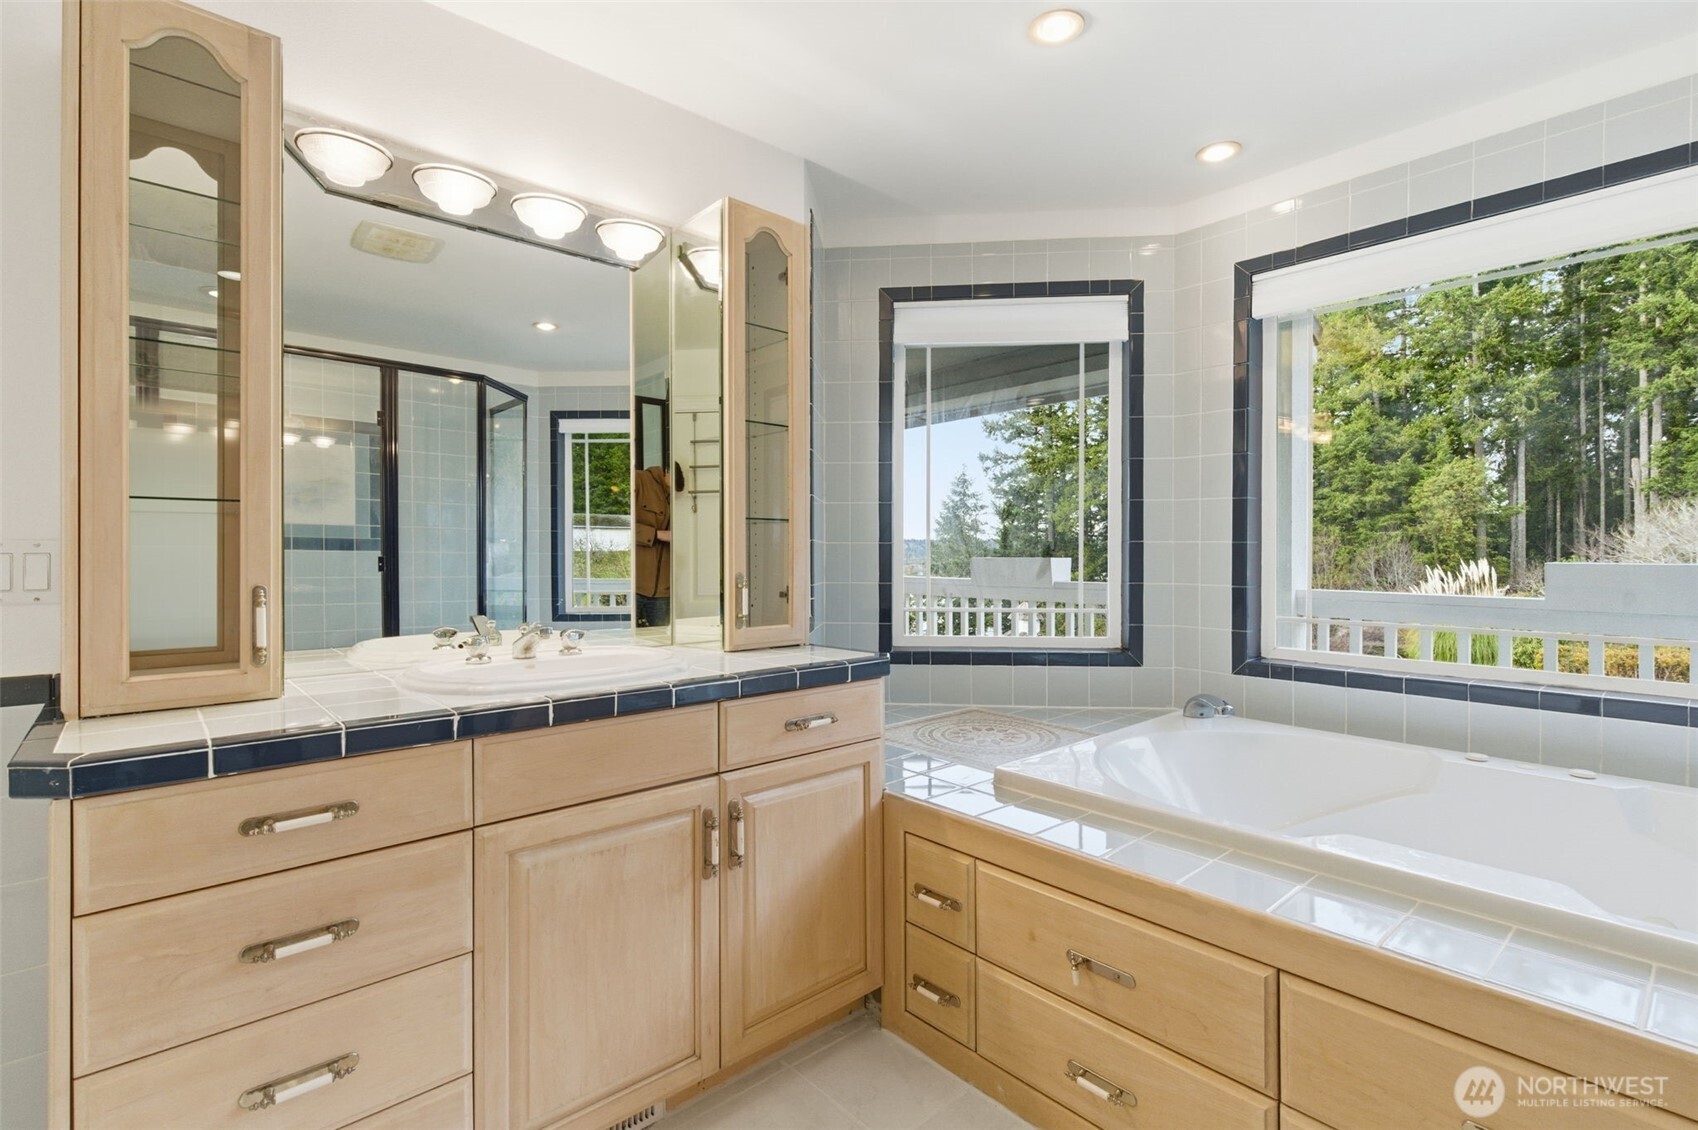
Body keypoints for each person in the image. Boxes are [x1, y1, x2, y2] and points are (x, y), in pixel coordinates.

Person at [634, 464, 671, 627]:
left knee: (661, 643)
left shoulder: (682, 499)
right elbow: (620, 524)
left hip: (665, 590)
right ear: (667, 471)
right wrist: (657, 534)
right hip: (635, 586)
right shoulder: (638, 480)